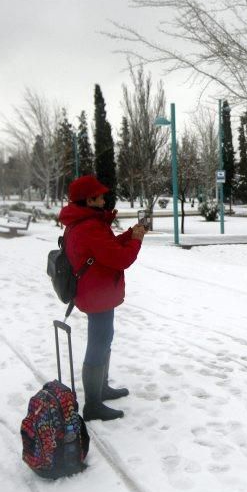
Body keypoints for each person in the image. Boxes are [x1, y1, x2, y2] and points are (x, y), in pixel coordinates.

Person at [59, 175, 146, 421]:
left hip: (96, 290)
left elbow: (107, 249)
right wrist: (137, 242)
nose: (104, 198)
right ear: (89, 199)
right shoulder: (89, 227)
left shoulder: (87, 223)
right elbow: (120, 259)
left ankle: (101, 388)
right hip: (96, 293)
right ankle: (93, 404)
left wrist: (130, 234)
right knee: (98, 343)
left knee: (104, 338)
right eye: (99, 195)